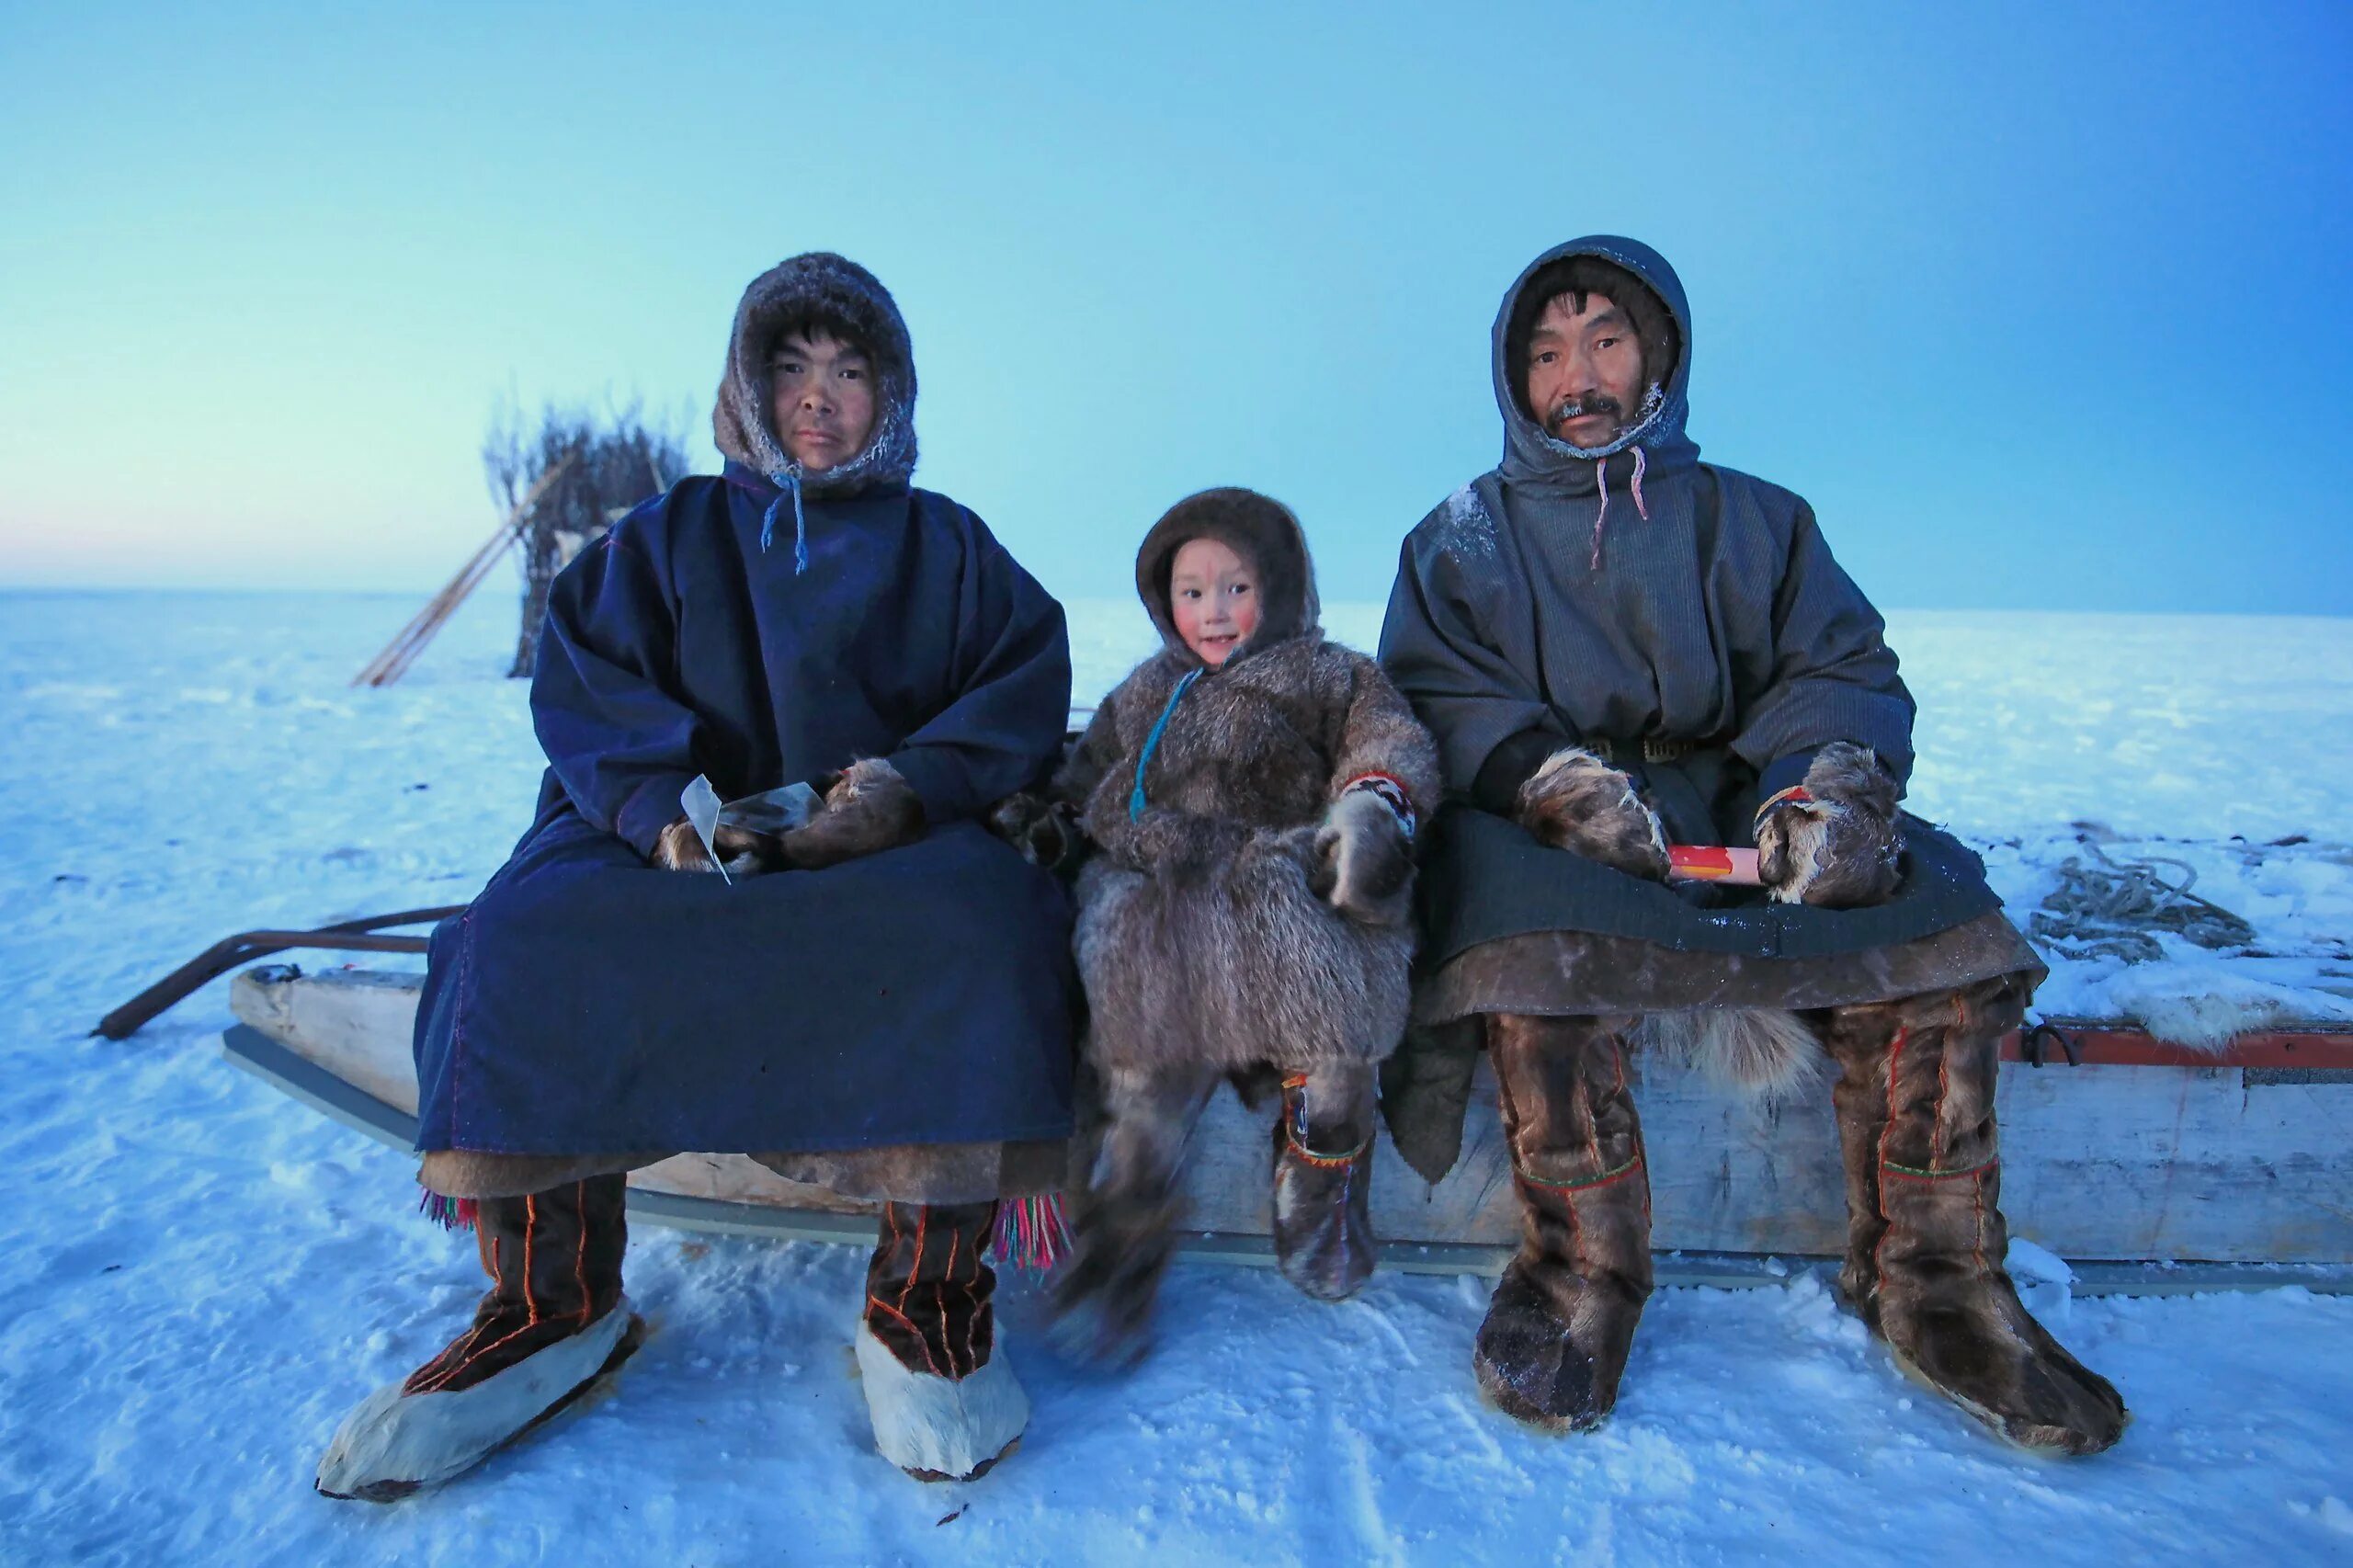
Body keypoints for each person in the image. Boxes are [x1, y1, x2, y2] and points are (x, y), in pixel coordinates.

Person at [316, 253, 1079, 1498]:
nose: (819, 396)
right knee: (522, 938)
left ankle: (926, 1302)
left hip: (879, 840)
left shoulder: (947, 546)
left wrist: (898, 789)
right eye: (792, 368)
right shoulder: (666, 534)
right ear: (746, 384)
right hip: (672, 830)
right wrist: (670, 812)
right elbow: (587, 682)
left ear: (891, 394)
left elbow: (1018, 687)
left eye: (848, 371)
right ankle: (551, 1303)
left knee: (986, 934)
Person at [1378, 236, 2128, 1456]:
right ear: (1514, 378)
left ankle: (1937, 1282)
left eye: (1607, 340)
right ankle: (1581, 1271)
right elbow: (1440, 695)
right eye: (1549, 349)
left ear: (1659, 354)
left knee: (1941, 925)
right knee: (1524, 942)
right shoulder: (1460, 537)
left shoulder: (1760, 520)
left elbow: (1836, 667)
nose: (1579, 372)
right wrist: (1553, 782)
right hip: (1562, 820)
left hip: (1740, 794)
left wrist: (1815, 791)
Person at [1036, 488, 1439, 1356]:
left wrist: (1373, 810)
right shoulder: (1147, 691)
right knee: (1140, 1045)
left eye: (1235, 587)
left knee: (1336, 998)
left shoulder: (1332, 674)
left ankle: (1324, 1162)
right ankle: (1130, 1204)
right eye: (1190, 591)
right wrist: (1050, 819)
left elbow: (1388, 743)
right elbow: (1088, 772)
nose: (1212, 611)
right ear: (1162, 601)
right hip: (1168, 892)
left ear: (1282, 587)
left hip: (1288, 878)